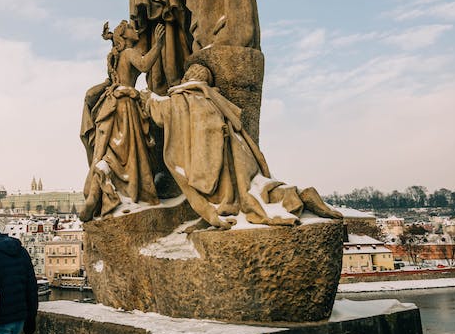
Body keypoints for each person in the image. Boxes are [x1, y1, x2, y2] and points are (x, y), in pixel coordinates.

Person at [144, 63, 343, 227]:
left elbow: (161, 114)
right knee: (253, 188)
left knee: (235, 194)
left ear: (188, 77)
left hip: (213, 159)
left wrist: (147, 97)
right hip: (238, 155)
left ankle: (289, 199)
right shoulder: (213, 98)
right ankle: (294, 196)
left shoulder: (182, 98)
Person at [80, 21, 165, 220]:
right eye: (130, 28)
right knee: (127, 150)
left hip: (111, 106)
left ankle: (97, 194)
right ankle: (128, 189)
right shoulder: (128, 52)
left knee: (108, 151)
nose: (135, 30)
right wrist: (159, 44)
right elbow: (144, 65)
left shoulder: (116, 57)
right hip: (124, 106)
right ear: (125, 37)